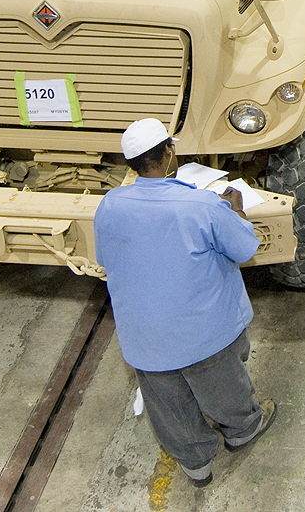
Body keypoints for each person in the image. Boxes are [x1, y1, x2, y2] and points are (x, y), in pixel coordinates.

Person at [94, 118, 277, 488]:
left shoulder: (110, 204)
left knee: (169, 405)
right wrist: (235, 211)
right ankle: (243, 429)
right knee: (223, 386)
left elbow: (106, 255)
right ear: (168, 153)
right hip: (202, 331)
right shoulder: (201, 205)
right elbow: (245, 247)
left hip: (144, 337)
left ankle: (196, 466)